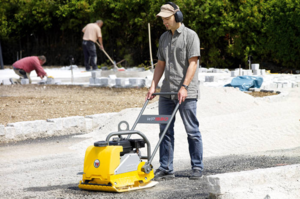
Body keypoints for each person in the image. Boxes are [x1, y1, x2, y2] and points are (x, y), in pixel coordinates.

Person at [146, 2, 203, 180]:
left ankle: (197, 167)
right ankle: (166, 168)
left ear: (177, 17)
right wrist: (153, 85)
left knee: (191, 130)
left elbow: (193, 63)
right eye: (162, 19)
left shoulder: (190, 36)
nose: (164, 22)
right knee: (164, 130)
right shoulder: (163, 38)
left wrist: (184, 86)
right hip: (166, 92)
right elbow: (160, 64)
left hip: (187, 92)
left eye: (167, 18)